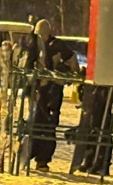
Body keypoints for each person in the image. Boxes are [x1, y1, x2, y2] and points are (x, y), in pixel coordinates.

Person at [23, 19, 79, 172]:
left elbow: (72, 61)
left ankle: (43, 159)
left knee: (49, 124)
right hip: (40, 88)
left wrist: (69, 73)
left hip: (54, 89)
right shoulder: (34, 47)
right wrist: (30, 87)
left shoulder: (58, 46)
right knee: (36, 123)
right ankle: (31, 154)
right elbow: (28, 67)